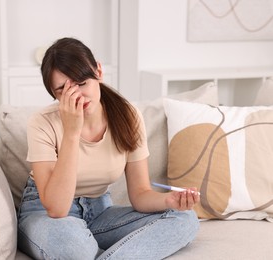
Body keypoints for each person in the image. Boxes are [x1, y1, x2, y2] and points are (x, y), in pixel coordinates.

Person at [17, 37, 200, 260]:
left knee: (185, 219)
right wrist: (72, 133)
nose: (77, 96)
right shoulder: (42, 123)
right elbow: (57, 208)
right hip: (46, 215)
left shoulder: (128, 116)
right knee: (75, 249)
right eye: (63, 90)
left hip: (99, 212)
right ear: (54, 94)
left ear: (99, 72)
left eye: (82, 83)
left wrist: (168, 201)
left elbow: (140, 194)